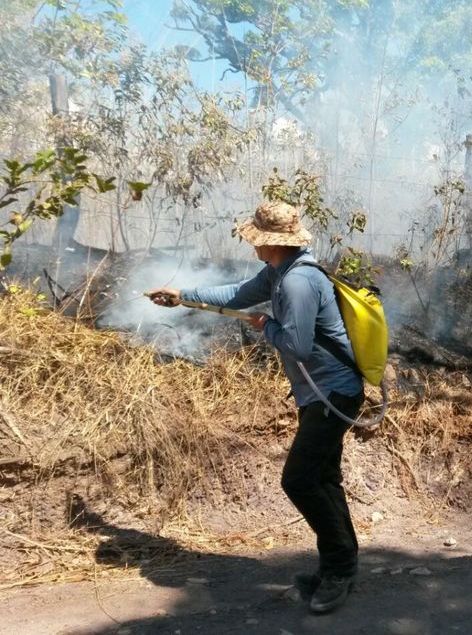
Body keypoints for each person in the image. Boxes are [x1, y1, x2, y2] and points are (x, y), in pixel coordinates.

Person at [148, 201, 364, 613]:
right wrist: (184, 296)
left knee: (299, 480)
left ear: (272, 243)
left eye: (256, 240)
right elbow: (238, 293)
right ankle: (339, 565)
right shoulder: (279, 272)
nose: (253, 246)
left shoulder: (298, 282)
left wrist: (268, 327)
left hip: (333, 394)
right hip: (318, 393)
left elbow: (298, 346)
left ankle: (339, 569)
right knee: (323, 478)